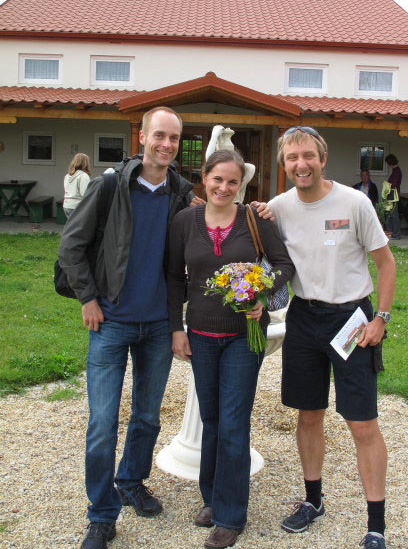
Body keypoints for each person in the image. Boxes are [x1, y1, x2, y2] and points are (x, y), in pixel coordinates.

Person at [58, 106, 194, 549]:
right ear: (142, 137)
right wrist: (88, 298)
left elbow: (222, 207)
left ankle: (131, 480)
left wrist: (259, 209)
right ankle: (101, 514)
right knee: (102, 422)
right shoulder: (111, 184)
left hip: (157, 325)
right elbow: (71, 245)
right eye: (160, 136)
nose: (167, 145)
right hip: (111, 322)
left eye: (174, 138)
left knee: (148, 416)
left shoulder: (181, 192)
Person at [268, 126, 396, 549]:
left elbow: (386, 264)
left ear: (322, 158)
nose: (300, 164)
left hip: (352, 320)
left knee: (362, 423)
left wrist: (380, 318)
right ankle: (313, 501)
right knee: (308, 415)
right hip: (304, 317)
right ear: (284, 164)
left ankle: (375, 524)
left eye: (308, 155)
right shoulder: (278, 208)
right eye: (292, 158)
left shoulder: (354, 202)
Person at [167, 149, 294, 549]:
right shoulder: (185, 221)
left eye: (233, 182)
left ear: (242, 185)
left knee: (234, 421)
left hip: (245, 335)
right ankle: (211, 497)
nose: (224, 187)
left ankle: (230, 515)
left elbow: (284, 264)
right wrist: (176, 327)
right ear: (204, 178)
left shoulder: (254, 219)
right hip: (201, 335)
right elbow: (172, 277)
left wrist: (261, 291)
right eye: (217, 179)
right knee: (212, 419)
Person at [63, 153, 91, 219]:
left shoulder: (67, 176)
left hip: (67, 205)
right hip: (77, 206)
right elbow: (85, 194)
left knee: (71, 227)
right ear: (85, 163)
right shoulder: (83, 176)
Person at [385, 154, 402, 240]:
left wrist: (387, 188)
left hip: (393, 195)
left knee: (393, 215)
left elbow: (394, 184)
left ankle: (395, 234)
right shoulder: (396, 170)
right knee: (391, 214)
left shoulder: (396, 171)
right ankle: (392, 233)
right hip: (393, 194)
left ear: (390, 163)